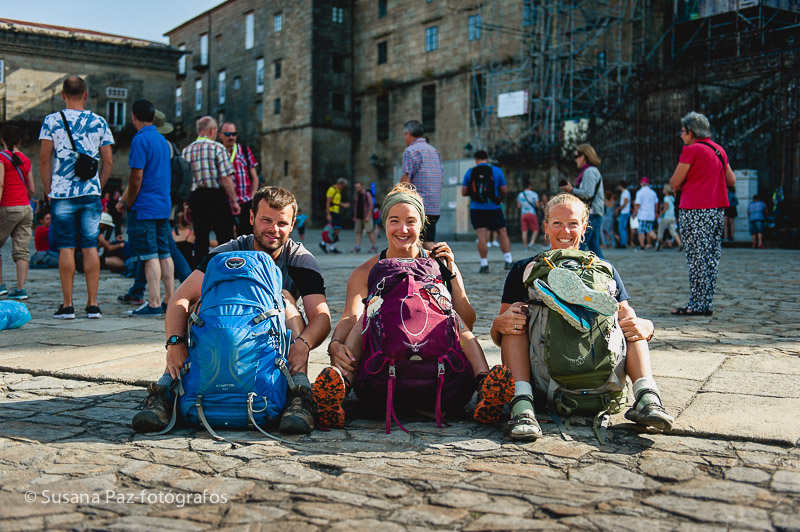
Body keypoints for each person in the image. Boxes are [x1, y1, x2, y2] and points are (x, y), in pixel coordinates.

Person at [132, 186, 331, 435]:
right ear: (251, 219)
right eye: (266, 220)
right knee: (200, 304)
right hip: (222, 335)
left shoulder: (299, 258)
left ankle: (299, 395)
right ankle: (165, 390)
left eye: (282, 223)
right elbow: (179, 298)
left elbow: (321, 316)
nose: (274, 229)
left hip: (273, 346)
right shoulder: (226, 254)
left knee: (286, 300)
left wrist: (303, 344)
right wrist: (175, 343)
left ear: (292, 226)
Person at [316, 183, 513, 428]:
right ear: (384, 223)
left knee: (451, 316)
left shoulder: (439, 263)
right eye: (394, 221)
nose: (403, 229)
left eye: (411, 221)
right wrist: (335, 345)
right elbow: (350, 316)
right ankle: (338, 391)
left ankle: (486, 386)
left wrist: (452, 275)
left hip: (437, 364)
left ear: (422, 225)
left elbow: (467, 322)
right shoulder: (365, 272)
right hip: (384, 365)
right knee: (367, 314)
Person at [491, 193, 672, 440]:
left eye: (573, 224)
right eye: (557, 223)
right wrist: (498, 324)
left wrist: (647, 327)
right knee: (514, 320)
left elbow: (629, 318)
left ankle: (647, 398)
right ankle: (522, 404)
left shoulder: (604, 269)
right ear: (545, 228)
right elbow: (500, 335)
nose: (565, 230)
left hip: (599, 379)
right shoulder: (522, 269)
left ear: (584, 229)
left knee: (630, 322)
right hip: (546, 380)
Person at [39, 76, 114, 319]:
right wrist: (98, 186)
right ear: (85, 95)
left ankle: (68, 305)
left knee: (66, 247)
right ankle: (93, 305)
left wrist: (49, 188)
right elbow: (109, 161)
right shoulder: (99, 121)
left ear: (62, 94)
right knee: (91, 246)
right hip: (90, 193)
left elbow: (44, 159)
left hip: (62, 194)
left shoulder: (51, 121)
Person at [111, 99, 174, 316]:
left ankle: (154, 303)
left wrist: (128, 203)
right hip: (162, 205)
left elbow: (136, 176)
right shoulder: (163, 141)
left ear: (133, 116)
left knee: (149, 255)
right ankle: (169, 299)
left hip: (145, 206)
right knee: (165, 253)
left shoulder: (140, 140)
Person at [669, 111, 736, 316]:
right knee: (710, 258)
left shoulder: (691, 150)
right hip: (716, 210)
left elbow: (675, 181)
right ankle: (706, 302)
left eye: (683, 131)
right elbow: (731, 180)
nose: (681, 135)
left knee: (696, 257)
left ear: (691, 132)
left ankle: (696, 304)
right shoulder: (718, 150)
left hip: (694, 209)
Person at [182, 116, 240, 260]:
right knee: (225, 237)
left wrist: (186, 204)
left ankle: (201, 274)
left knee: (201, 238)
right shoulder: (218, 148)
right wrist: (234, 201)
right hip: (216, 197)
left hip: (196, 197)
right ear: (213, 130)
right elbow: (226, 178)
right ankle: (228, 269)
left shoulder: (186, 151)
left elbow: (185, 182)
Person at [462, 150, 513, 273]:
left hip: (476, 208)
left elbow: (464, 192)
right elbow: (504, 190)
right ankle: (508, 260)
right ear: (487, 158)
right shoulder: (496, 170)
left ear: (476, 159)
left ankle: (484, 264)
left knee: (481, 236)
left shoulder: (470, 172)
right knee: (502, 232)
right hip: (494, 208)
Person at [0, 125, 36, 300]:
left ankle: (0, 286)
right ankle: (21, 289)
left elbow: (0, 184)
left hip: (7, 206)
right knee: (21, 251)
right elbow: (32, 189)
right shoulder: (25, 160)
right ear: (20, 141)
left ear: (2, 140)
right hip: (25, 208)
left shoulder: (1, 159)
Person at [400, 120, 443, 247]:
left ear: (408, 134)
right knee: (429, 242)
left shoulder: (411, 151)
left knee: (411, 244)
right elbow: (441, 179)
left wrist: (399, 198)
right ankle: (434, 266)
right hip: (434, 207)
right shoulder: (434, 151)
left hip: (417, 207)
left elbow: (406, 179)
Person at [560, 144, 605, 258]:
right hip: (594, 213)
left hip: (592, 213)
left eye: (576, 156)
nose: (575, 160)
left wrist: (572, 189)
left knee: (579, 244)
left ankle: (571, 269)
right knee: (593, 247)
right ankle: (607, 273)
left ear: (584, 156)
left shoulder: (589, 171)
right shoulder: (590, 171)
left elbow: (588, 193)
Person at [219, 122, 259, 237]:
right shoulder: (218, 152)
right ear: (220, 135)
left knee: (247, 237)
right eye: (227, 134)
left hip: (245, 201)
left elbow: (254, 177)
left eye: (234, 134)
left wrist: (253, 196)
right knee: (226, 237)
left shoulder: (244, 151)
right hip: (225, 202)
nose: (231, 137)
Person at [321, 178, 350, 254]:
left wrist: (343, 204)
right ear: (339, 184)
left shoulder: (337, 190)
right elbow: (328, 202)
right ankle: (328, 246)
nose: (343, 188)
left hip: (336, 211)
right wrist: (328, 214)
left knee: (336, 229)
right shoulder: (332, 189)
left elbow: (336, 201)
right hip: (332, 211)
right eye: (343, 186)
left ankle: (327, 245)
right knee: (335, 229)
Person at [633, 177, 659, 251]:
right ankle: (657, 239)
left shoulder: (639, 192)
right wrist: (656, 212)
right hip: (651, 215)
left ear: (641, 183)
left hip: (642, 214)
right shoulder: (653, 193)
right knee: (649, 229)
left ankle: (642, 246)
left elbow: (637, 204)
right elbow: (656, 204)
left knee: (641, 231)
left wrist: (634, 213)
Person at [352, 181, 377, 253]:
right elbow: (355, 206)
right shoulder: (356, 195)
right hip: (359, 217)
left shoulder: (367, 194)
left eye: (358, 187)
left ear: (362, 186)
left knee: (369, 231)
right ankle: (357, 246)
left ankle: (374, 246)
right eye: (356, 187)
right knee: (358, 231)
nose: (357, 188)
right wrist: (355, 216)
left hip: (366, 216)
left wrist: (368, 216)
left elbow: (371, 206)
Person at [657, 185, 682, 251]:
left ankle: (659, 244)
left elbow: (666, 207)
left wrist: (661, 212)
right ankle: (679, 243)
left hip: (666, 217)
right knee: (673, 231)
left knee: (661, 231)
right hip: (672, 216)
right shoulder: (672, 198)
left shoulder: (666, 198)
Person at [517, 181, 540, 251]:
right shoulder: (534, 194)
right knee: (535, 229)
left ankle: (525, 247)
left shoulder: (520, 195)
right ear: (530, 186)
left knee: (524, 231)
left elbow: (518, 206)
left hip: (523, 214)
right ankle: (531, 242)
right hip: (532, 213)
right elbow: (537, 205)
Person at [616, 182, 631, 248]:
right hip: (624, 212)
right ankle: (623, 242)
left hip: (624, 212)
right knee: (623, 228)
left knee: (622, 228)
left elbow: (625, 203)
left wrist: (619, 208)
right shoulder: (625, 193)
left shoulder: (625, 193)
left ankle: (623, 243)